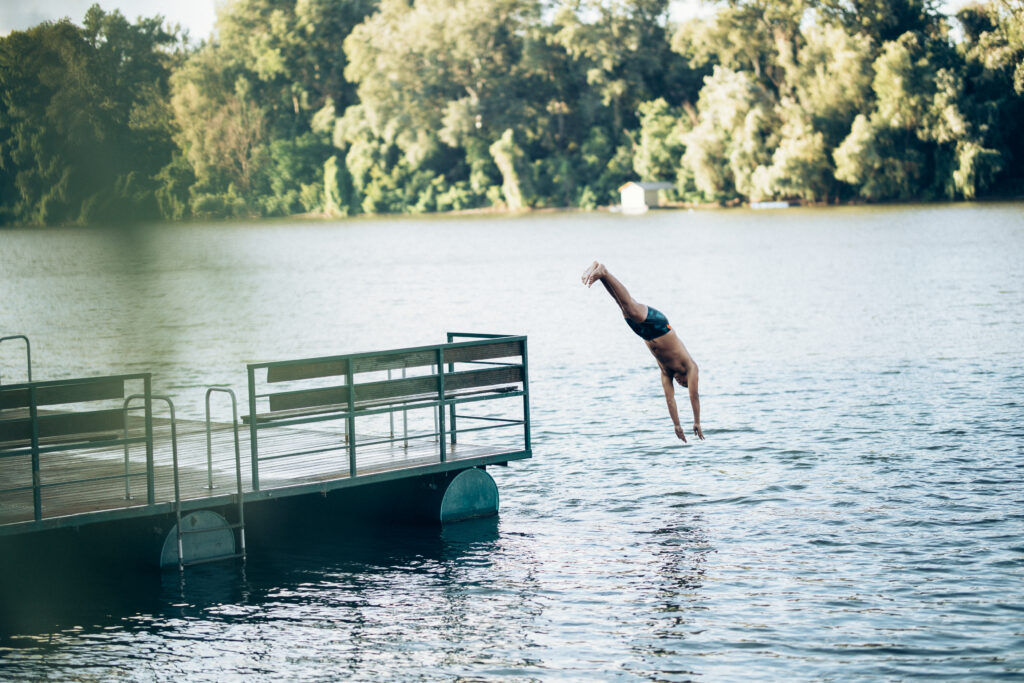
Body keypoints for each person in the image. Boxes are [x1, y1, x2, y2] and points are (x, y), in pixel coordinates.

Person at [582, 261, 704, 442]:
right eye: (684, 382)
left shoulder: (666, 372)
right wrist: (697, 421)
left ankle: (601, 274)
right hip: (660, 325)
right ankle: (604, 271)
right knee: (630, 307)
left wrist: (677, 425)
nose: (680, 382)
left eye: (680, 384)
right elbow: (694, 395)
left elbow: (670, 399)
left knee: (624, 307)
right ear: (688, 376)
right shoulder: (691, 366)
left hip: (644, 334)